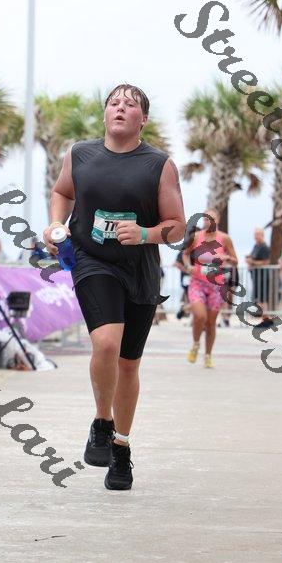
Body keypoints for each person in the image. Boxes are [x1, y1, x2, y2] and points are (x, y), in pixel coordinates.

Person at [43, 83, 186, 491]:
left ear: (144, 119)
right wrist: (56, 224)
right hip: (92, 261)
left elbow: (177, 227)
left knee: (128, 364)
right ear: (105, 114)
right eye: (114, 102)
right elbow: (62, 191)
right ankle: (102, 422)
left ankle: (121, 448)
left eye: (131, 104)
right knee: (106, 343)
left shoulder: (159, 165)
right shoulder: (80, 154)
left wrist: (144, 234)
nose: (121, 107)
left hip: (139, 269)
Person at [182, 208, 238, 368]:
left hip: (216, 285)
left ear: (218, 220)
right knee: (200, 316)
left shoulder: (225, 238)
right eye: (206, 219)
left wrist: (226, 257)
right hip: (197, 282)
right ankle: (195, 344)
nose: (209, 222)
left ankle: (208, 355)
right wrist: (188, 266)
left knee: (211, 323)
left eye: (212, 219)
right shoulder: (196, 237)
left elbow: (235, 260)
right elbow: (185, 254)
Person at [245, 227, 273, 328]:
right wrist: (249, 260)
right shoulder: (256, 246)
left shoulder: (264, 247)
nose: (256, 237)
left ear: (262, 235)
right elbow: (253, 258)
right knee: (259, 299)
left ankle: (266, 320)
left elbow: (266, 262)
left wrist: (253, 262)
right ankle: (265, 319)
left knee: (262, 299)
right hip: (256, 276)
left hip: (263, 277)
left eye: (257, 234)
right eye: (255, 234)